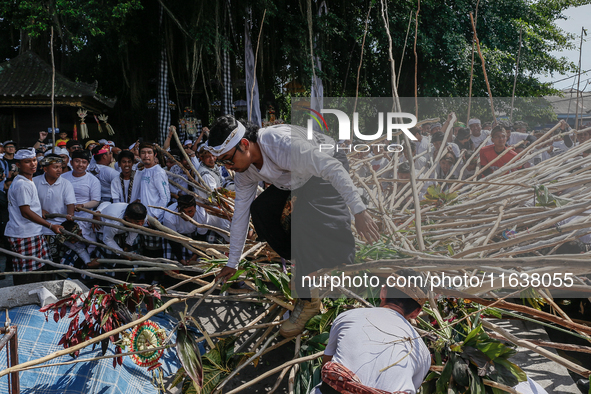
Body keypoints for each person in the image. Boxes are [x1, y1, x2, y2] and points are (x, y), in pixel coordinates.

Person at [209, 115, 379, 337]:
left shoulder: (280, 144)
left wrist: (359, 211)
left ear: (244, 144)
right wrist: (233, 261)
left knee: (312, 218)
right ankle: (304, 262)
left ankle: (337, 282)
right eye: (222, 163)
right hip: (292, 181)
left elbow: (332, 168)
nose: (228, 167)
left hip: (324, 165)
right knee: (261, 211)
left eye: (228, 160)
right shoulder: (245, 171)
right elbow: (241, 214)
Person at [310, 270, 430, 394]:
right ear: (416, 312)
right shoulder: (423, 352)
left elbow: (326, 364)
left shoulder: (348, 317)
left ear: (383, 292)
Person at [5, 148, 63, 286]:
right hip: (24, 233)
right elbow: (25, 212)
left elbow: (27, 207)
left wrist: (38, 210)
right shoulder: (22, 184)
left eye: (34, 160)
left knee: (38, 270)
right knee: (28, 274)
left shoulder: (27, 181)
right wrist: (50, 225)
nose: (32, 164)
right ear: (18, 165)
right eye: (27, 162)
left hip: (32, 232)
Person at [163, 195, 231, 264]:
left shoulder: (201, 214)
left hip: (194, 233)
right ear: (177, 209)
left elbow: (201, 236)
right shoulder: (169, 217)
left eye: (190, 212)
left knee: (204, 253)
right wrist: (180, 259)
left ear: (195, 208)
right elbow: (173, 241)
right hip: (177, 234)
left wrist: (195, 254)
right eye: (183, 212)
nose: (186, 215)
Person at [33, 154, 76, 261]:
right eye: (55, 167)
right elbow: (29, 204)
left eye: (60, 167)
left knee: (56, 259)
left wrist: (70, 216)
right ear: (45, 169)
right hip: (38, 226)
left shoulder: (66, 184)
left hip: (58, 226)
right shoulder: (34, 182)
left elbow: (70, 203)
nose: (59, 170)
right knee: (39, 259)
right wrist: (39, 210)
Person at [61, 150, 101, 249]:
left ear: (87, 164)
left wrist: (82, 205)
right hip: (65, 216)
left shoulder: (93, 180)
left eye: (84, 162)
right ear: (71, 162)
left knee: (90, 244)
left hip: (84, 217)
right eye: (77, 161)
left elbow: (95, 201)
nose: (80, 165)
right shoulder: (62, 177)